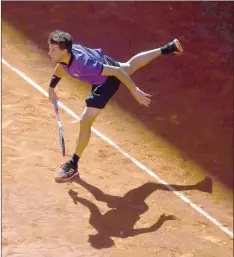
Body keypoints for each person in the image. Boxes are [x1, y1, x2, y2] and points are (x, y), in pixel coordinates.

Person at [47, 30, 183, 182]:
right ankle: (168, 48)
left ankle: (73, 164)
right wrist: (51, 88)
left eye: (53, 50)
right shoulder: (66, 56)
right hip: (103, 65)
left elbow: (116, 72)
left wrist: (135, 90)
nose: (49, 52)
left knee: (85, 120)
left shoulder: (84, 65)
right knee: (129, 66)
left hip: (106, 81)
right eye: (50, 48)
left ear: (65, 51)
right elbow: (61, 68)